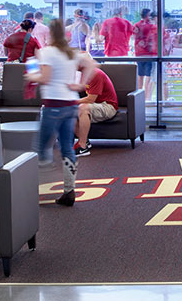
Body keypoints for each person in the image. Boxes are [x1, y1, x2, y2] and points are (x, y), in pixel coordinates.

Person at [26, 20, 98, 207]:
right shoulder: (71, 53)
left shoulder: (47, 52)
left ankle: (37, 187)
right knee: (67, 146)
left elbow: (45, 78)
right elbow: (92, 63)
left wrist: (31, 76)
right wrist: (81, 84)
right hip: (70, 104)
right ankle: (69, 190)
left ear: (50, 34)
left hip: (53, 105)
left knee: (42, 148)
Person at [73, 65, 118, 158]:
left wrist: (72, 102)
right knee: (69, 110)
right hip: (96, 105)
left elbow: (90, 99)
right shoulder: (83, 74)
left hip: (108, 106)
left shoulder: (95, 74)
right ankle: (85, 141)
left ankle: (83, 147)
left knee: (83, 108)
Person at [134, 8, 158, 101]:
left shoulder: (136, 25)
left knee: (140, 75)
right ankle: (147, 97)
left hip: (139, 54)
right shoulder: (151, 26)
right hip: (148, 53)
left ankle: (139, 97)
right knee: (148, 76)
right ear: (148, 16)